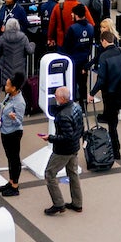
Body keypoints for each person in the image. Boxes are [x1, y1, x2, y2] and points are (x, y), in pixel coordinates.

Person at [92, 31, 121, 164]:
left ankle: (115, 149)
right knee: (114, 120)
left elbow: (101, 79)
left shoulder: (104, 56)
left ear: (104, 41)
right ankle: (116, 148)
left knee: (112, 123)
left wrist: (92, 93)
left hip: (109, 93)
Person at [43, 86, 84, 215]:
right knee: (73, 174)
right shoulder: (76, 107)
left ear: (61, 98)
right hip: (74, 147)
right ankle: (77, 203)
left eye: (56, 96)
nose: (54, 98)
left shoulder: (63, 115)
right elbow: (79, 129)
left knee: (50, 173)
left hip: (63, 150)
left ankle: (58, 203)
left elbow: (66, 136)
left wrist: (50, 138)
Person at [0, 73, 27, 197]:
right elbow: (4, 106)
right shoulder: (9, 96)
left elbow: (19, 121)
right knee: (9, 157)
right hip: (5, 131)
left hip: (13, 133)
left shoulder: (20, 102)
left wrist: (13, 118)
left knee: (14, 159)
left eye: (8, 85)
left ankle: (15, 186)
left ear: (14, 88)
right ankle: (11, 181)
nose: (5, 86)